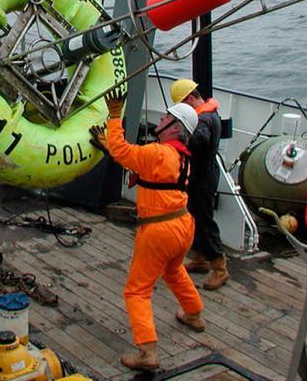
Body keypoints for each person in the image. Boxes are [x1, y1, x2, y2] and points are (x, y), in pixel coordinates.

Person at [90, 88, 205, 371]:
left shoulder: (158, 153)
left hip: (159, 230)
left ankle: (148, 352)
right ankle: (194, 314)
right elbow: (140, 164)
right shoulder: (184, 158)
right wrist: (111, 144)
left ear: (175, 127)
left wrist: (115, 116)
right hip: (183, 225)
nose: (161, 119)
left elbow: (123, 152)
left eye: (167, 117)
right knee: (174, 270)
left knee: (136, 291)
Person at [171, 78, 228, 290]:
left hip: (202, 176)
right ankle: (199, 259)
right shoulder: (209, 113)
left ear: (189, 99)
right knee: (192, 217)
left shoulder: (203, 119)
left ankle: (220, 268)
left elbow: (200, 140)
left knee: (204, 221)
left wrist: (179, 139)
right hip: (200, 173)